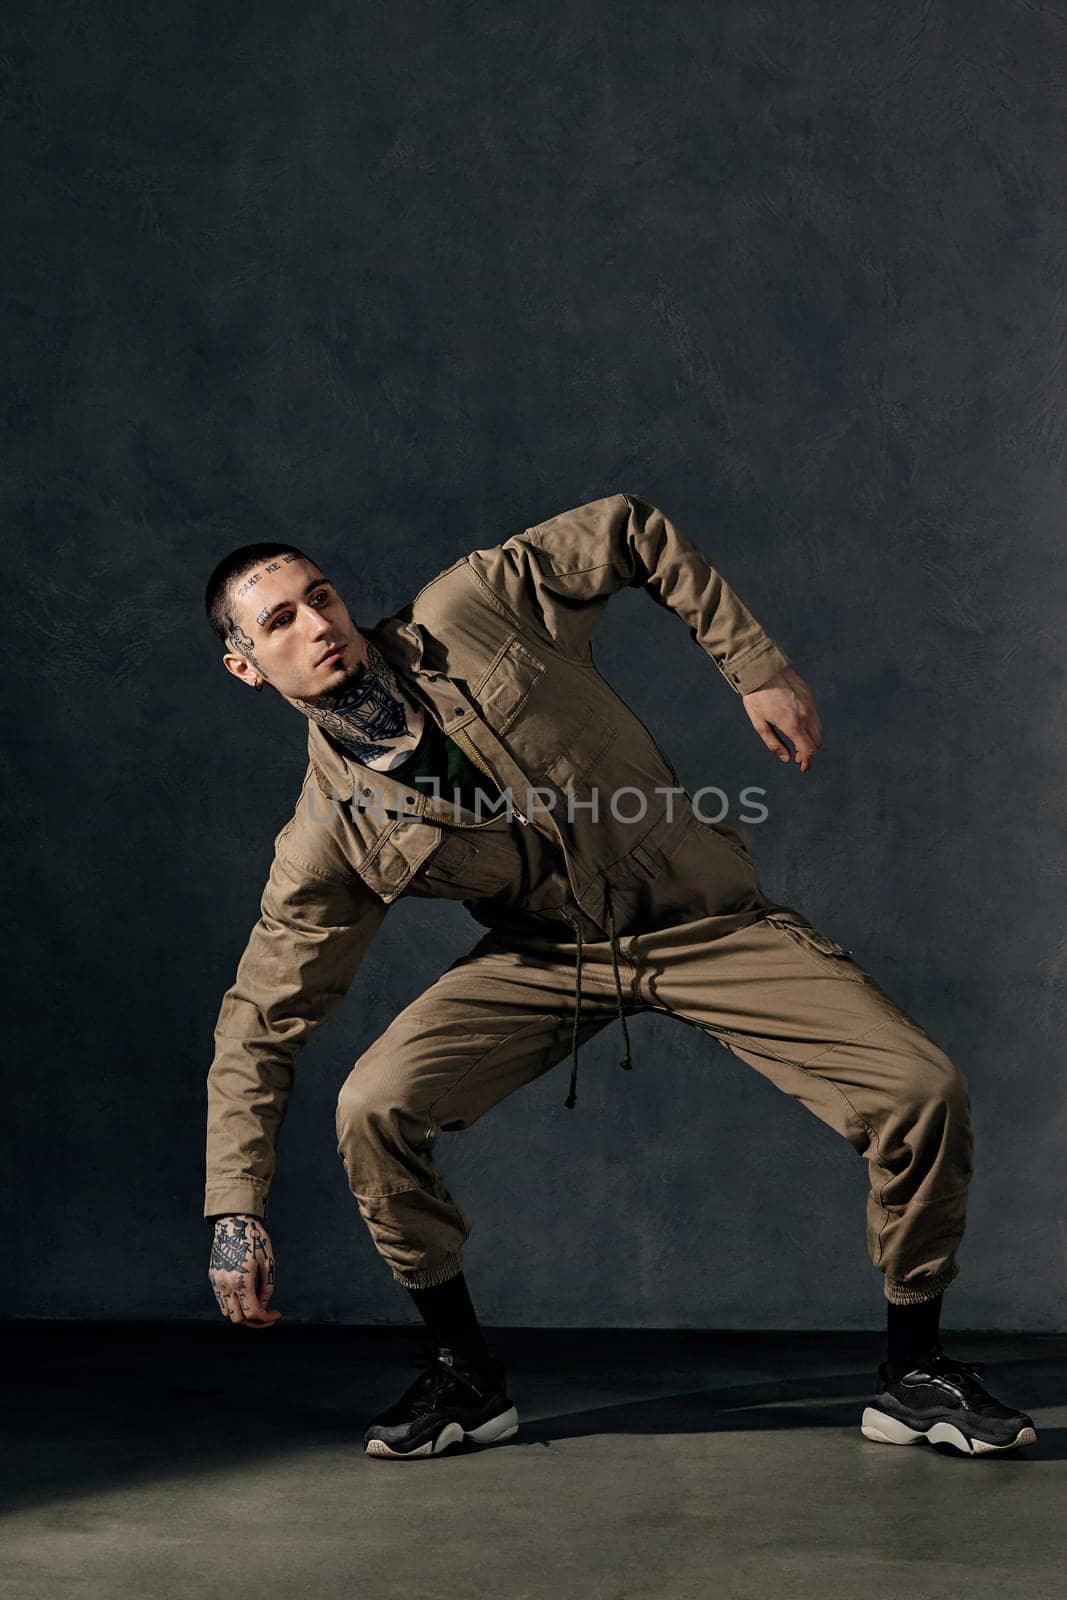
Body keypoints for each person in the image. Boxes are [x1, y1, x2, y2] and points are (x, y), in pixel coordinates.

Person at [203, 491, 1036, 1460]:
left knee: (918, 1089)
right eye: (280, 620)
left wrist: (754, 669)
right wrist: (236, 1204)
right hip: (545, 959)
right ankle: (464, 1375)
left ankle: (912, 1373)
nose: (317, 625)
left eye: (321, 596)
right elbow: (263, 1013)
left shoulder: (469, 608)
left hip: (702, 924)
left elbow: (628, 527)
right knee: (374, 1105)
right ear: (246, 666)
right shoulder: (331, 831)